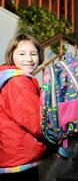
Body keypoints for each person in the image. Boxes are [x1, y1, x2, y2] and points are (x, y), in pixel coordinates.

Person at [0, 34, 47, 181]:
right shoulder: (18, 81)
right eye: (22, 54)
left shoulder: (7, 76)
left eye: (33, 54)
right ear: (11, 55)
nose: (29, 59)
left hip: (10, 154)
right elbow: (36, 122)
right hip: (19, 157)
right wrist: (56, 141)